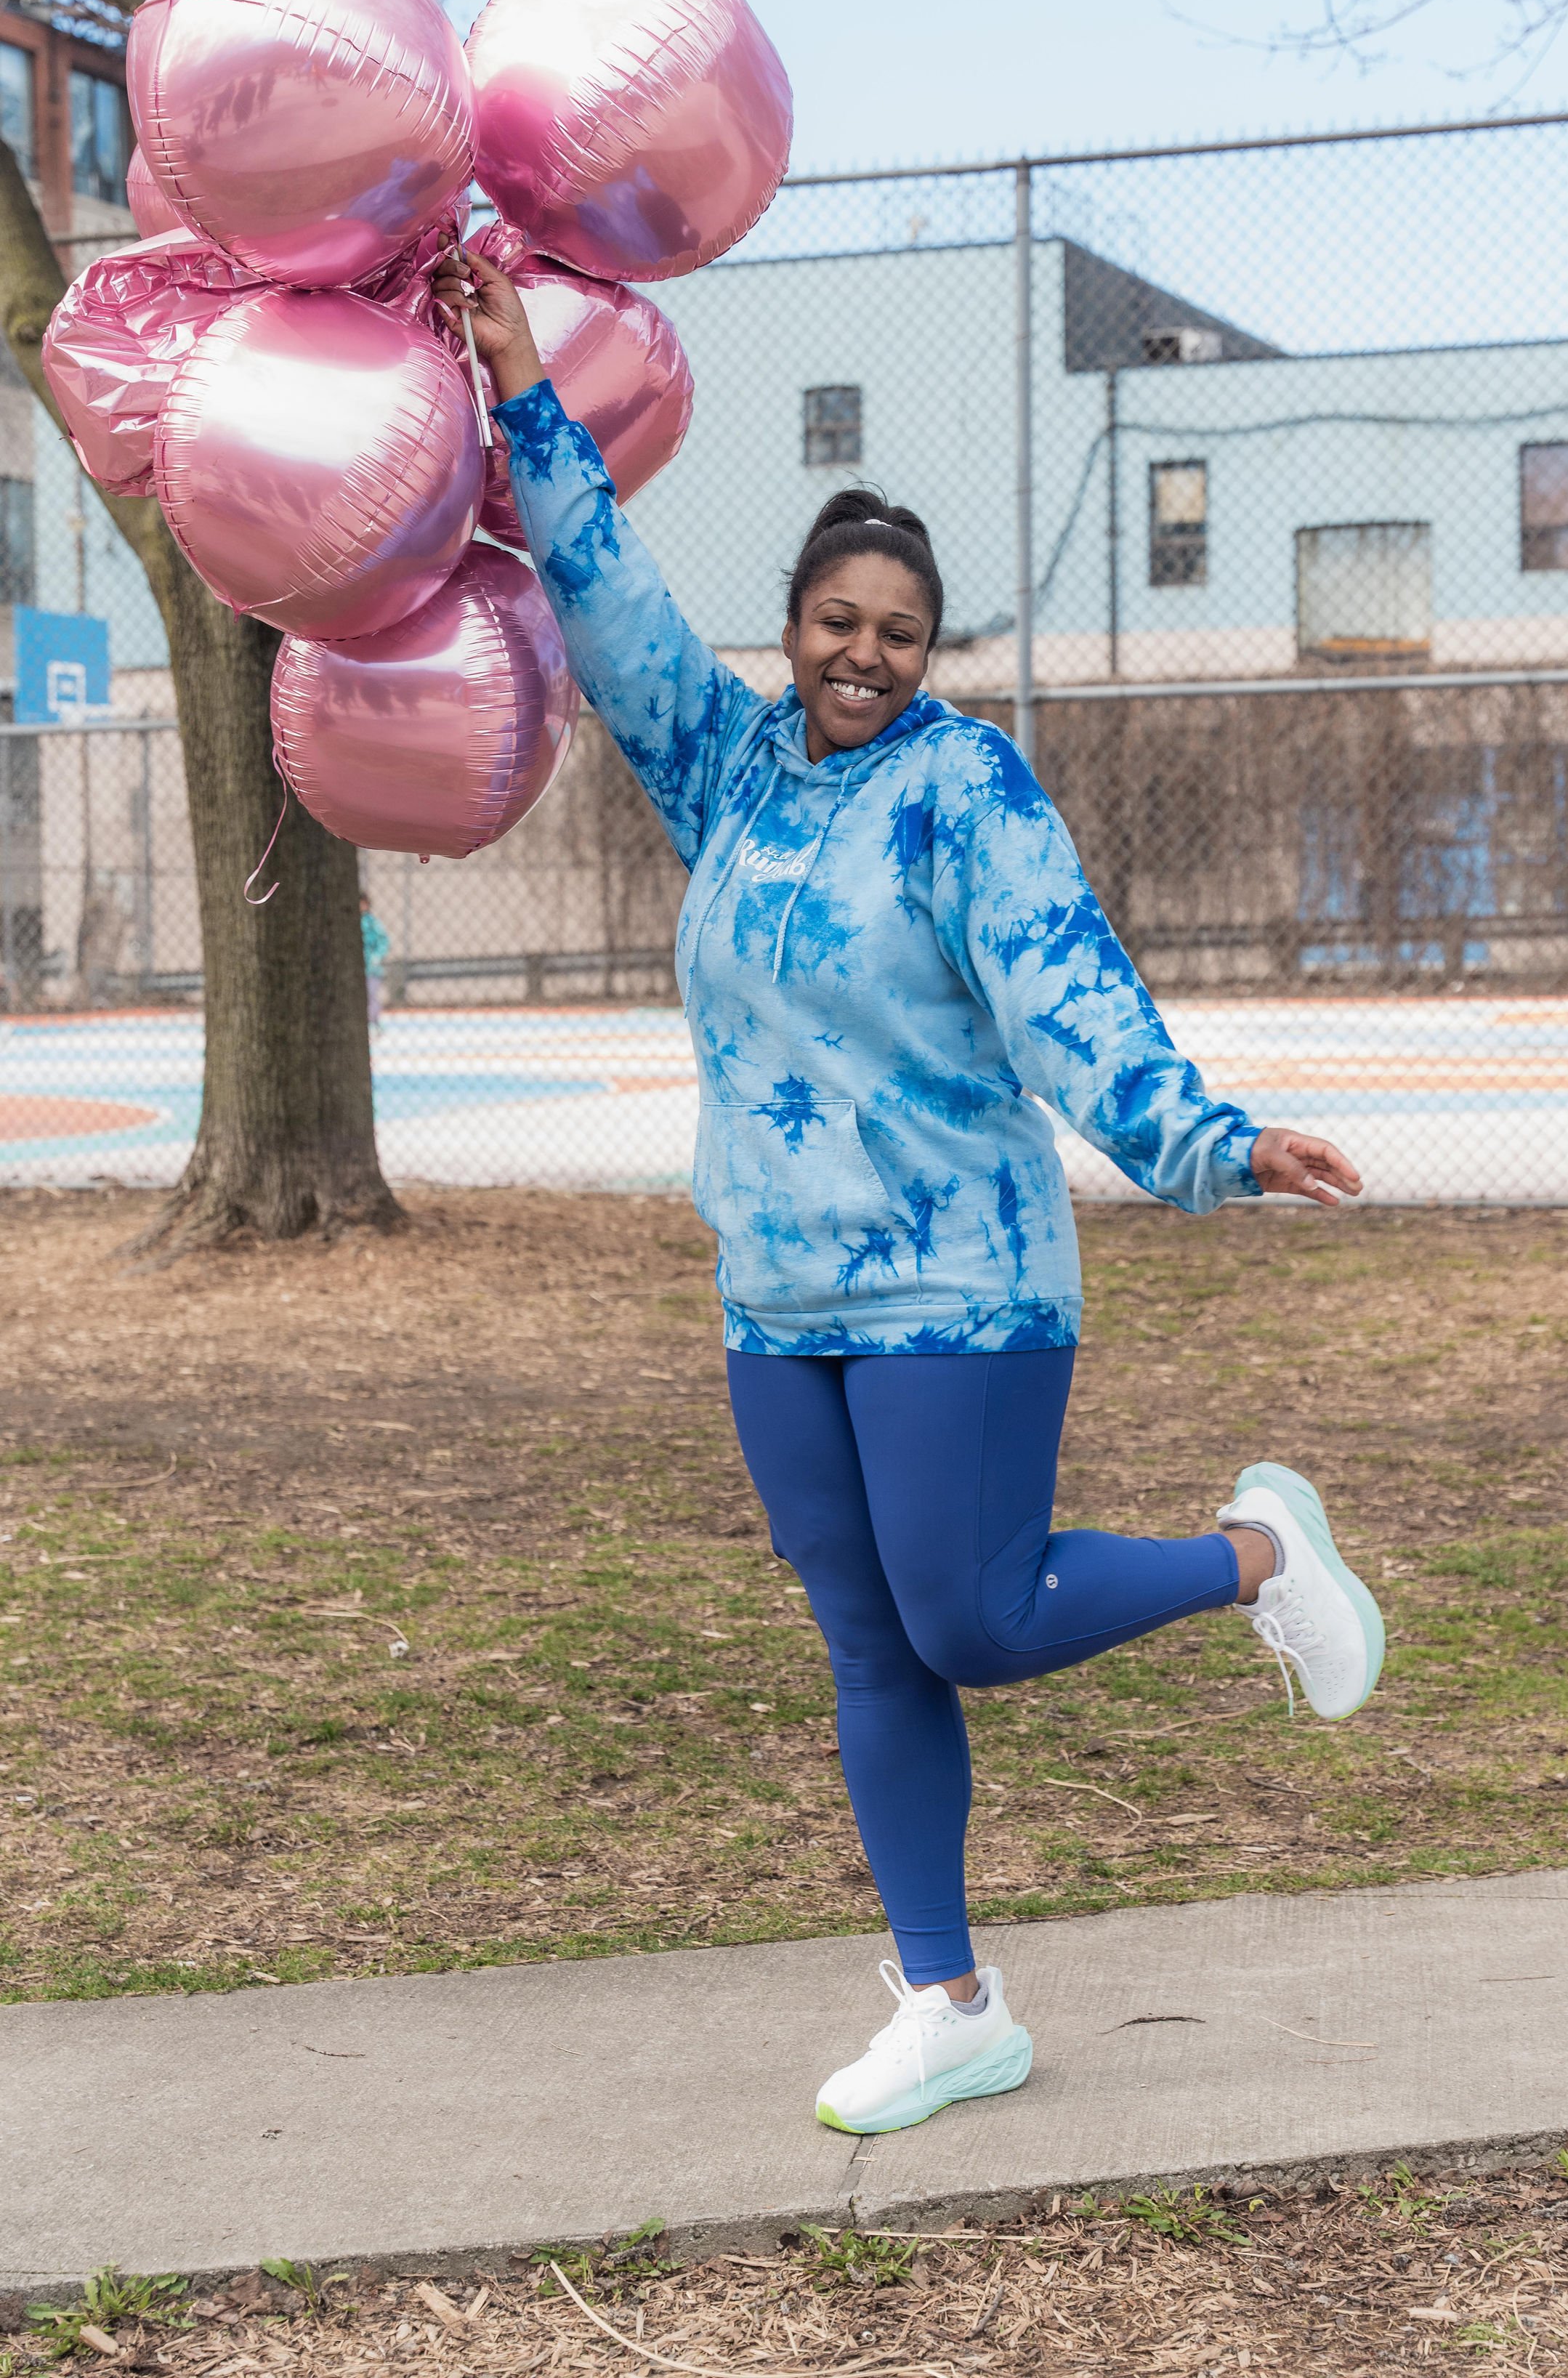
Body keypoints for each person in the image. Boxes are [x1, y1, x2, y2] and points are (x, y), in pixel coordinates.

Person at [433, 251, 1386, 2140]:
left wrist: (1211, 1137)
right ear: (792, 627)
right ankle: (946, 2000)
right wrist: (523, 383)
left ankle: (1264, 1552)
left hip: (963, 1286)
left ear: (927, 650)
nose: (865, 653)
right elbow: (609, 603)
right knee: (874, 1647)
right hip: (779, 1301)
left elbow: (1067, 995)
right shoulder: (731, 775)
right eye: (836, 621)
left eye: (900, 630)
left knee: (972, 1620)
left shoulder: (968, 789)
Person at [360, 892, 389, 1027]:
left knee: (371, 996)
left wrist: (376, 957)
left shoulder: (372, 923)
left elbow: (384, 941)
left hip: (371, 968)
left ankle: (373, 1023)